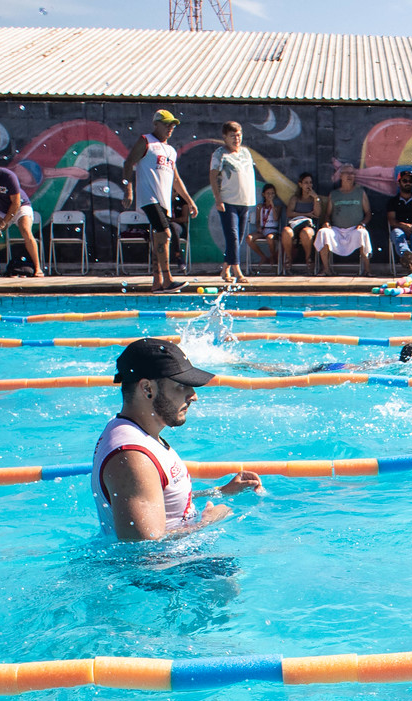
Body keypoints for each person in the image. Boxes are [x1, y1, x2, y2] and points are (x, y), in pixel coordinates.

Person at [92, 339, 261, 542]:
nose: (193, 396)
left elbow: (159, 499)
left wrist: (218, 492)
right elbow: (142, 551)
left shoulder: (136, 433)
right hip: (166, 572)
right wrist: (208, 522)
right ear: (147, 388)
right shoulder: (133, 457)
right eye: (181, 386)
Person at [121, 110, 196, 292]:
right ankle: (168, 279)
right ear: (156, 124)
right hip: (149, 197)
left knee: (159, 238)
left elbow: (176, 179)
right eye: (166, 124)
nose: (170, 128)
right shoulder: (146, 141)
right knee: (165, 233)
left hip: (163, 202)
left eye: (172, 125)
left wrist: (189, 201)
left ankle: (157, 282)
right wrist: (128, 190)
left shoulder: (170, 150)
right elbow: (128, 163)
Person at [211, 121, 255, 286]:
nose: (236, 139)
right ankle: (237, 270)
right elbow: (213, 176)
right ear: (225, 137)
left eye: (239, 135)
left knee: (238, 238)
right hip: (228, 201)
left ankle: (225, 268)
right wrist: (218, 199)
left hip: (244, 201)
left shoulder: (245, 153)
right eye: (232, 136)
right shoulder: (220, 154)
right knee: (233, 236)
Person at [322, 165, 373, 274]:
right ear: (341, 176)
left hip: (354, 229)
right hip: (336, 230)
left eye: (352, 173)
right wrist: (326, 222)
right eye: (347, 173)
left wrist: (362, 224)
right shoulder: (334, 194)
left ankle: (367, 270)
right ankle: (326, 269)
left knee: (363, 233)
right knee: (323, 232)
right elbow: (327, 214)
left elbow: (368, 213)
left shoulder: (360, 193)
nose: (350, 176)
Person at [386, 166, 412, 273]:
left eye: (410, 181)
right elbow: (391, 220)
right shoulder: (393, 202)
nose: (408, 183)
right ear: (399, 182)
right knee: (398, 235)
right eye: (404, 180)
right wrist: (403, 225)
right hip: (399, 228)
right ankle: (410, 258)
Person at [280, 173, 320, 269]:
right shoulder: (295, 198)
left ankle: (308, 258)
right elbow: (289, 213)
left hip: (308, 225)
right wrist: (306, 214)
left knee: (306, 233)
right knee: (286, 232)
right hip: (295, 224)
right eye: (306, 183)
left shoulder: (315, 199)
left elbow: (318, 214)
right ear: (300, 184)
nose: (308, 185)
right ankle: (289, 258)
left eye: (310, 183)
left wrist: (316, 198)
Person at [248, 182, 282, 270]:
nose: (270, 195)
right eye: (268, 193)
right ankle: (263, 256)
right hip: (263, 230)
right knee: (249, 238)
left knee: (270, 239)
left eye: (272, 193)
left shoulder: (277, 207)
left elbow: (275, 218)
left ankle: (272, 256)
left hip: (272, 230)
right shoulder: (260, 206)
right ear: (263, 194)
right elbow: (258, 220)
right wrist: (258, 227)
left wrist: (272, 204)